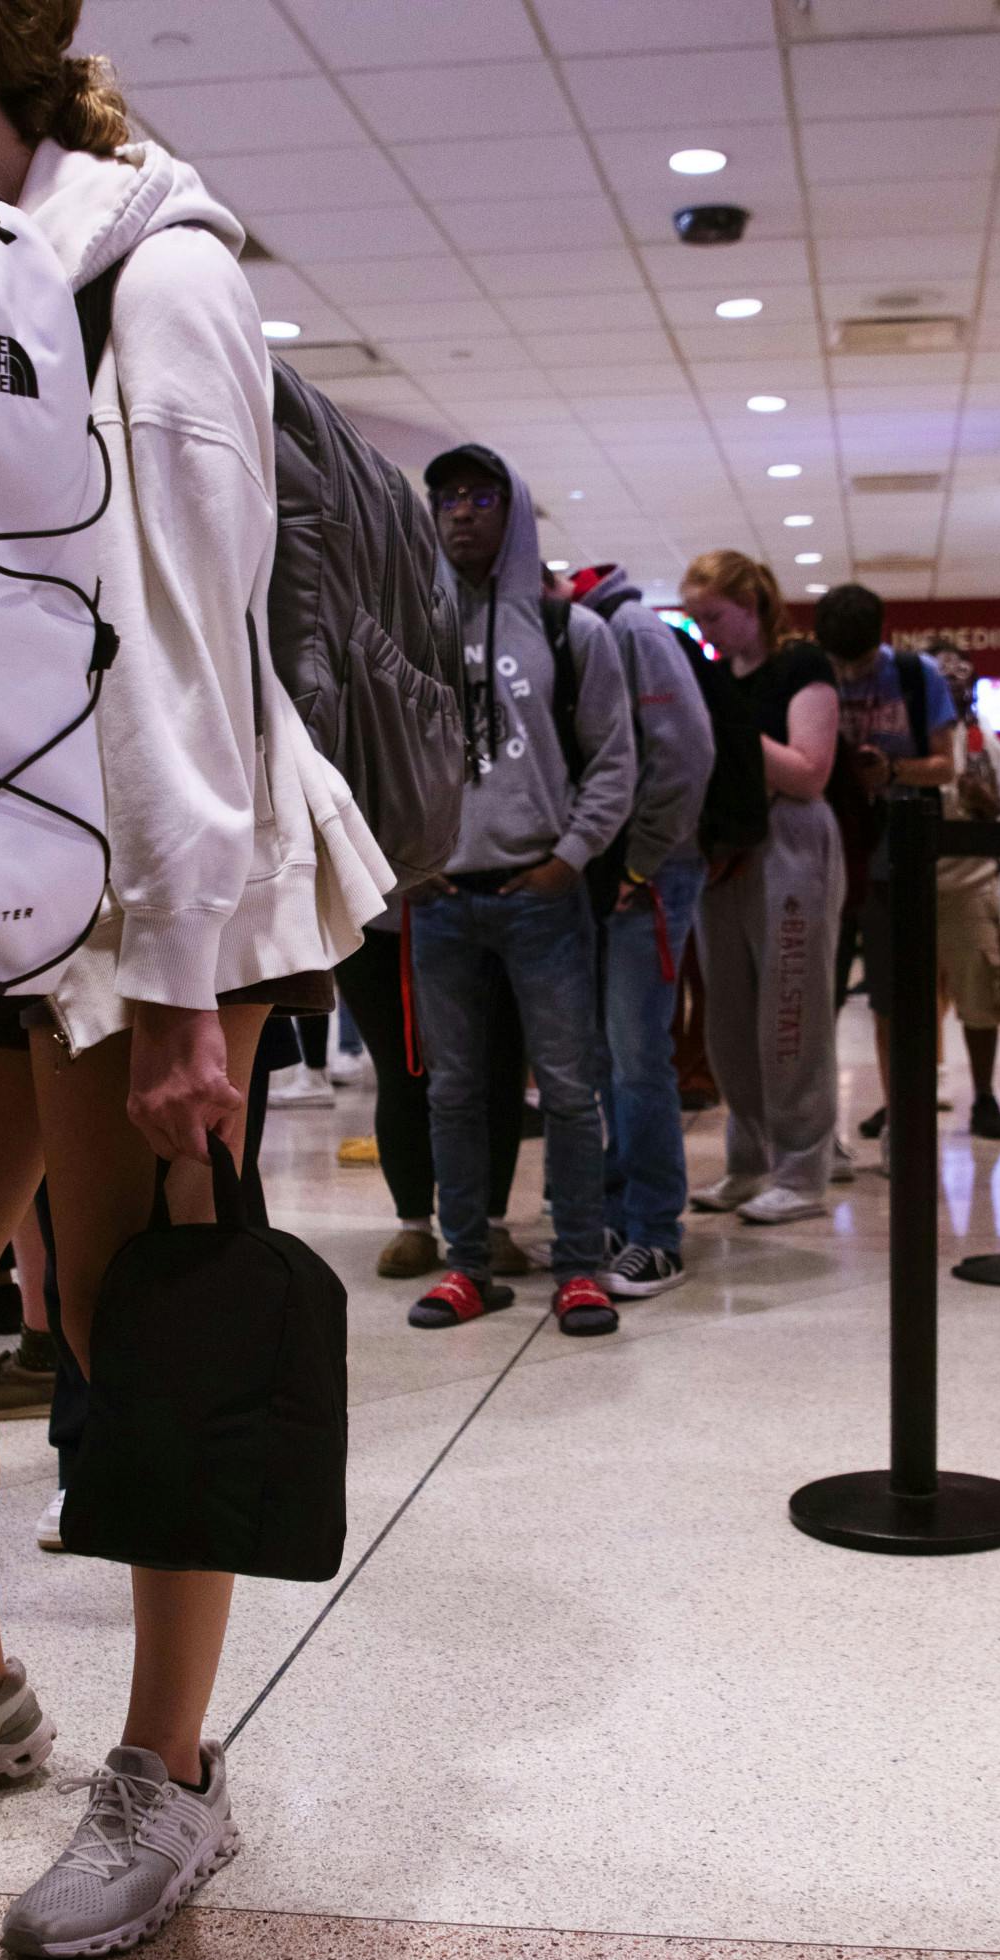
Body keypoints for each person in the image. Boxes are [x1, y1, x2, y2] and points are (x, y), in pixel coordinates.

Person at [0, 0, 391, 1960]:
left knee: (136, 1333)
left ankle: (167, 1776)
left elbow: (188, 632)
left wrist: (185, 984)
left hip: (149, 890)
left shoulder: (149, 262)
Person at [408, 444, 635, 1335]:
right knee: (454, 1093)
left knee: (572, 1090)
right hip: (442, 901)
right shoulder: (409, 632)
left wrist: (570, 856)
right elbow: (376, 756)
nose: (460, 512)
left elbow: (615, 761)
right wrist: (403, 864)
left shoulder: (569, 631)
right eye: (446, 498)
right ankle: (466, 1263)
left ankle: (579, 1266)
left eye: (479, 496)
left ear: (513, 511)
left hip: (541, 894)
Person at [680, 551, 843, 1224]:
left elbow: (808, 772)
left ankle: (803, 1168)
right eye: (696, 621)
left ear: (753, 604)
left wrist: (733, 728)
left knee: (790, 1014)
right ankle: (748, 1163)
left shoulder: (801, 667)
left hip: (791, 844)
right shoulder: (719, 676)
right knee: (725, 1020)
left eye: (715, 616)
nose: (707, 632)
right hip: (725, 850)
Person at [570, 565, 714, 1296]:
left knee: (634, 1058)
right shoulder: (594, 629)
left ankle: (657, 1230)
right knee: (606, 1059)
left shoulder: (629, 628)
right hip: (612, 876)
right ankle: (620, 1213)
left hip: (646, 876)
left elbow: (684, 754)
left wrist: (641, 863)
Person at [814, 585, 957, 1169]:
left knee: (896, 1000)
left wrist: (893, 769)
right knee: (813, 996)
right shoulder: (811, 675)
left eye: (858, 661)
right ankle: (817, 1134)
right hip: (827, 852)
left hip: (898, 858)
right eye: (839, 662)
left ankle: (903, 1122)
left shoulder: (916, 675)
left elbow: (946, 765)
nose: (848, 673)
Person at [334, 896, 530, 1280]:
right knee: (401, 1069)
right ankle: (415, 1224)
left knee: (497, 1067)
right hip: (375, 916)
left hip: (482, 902)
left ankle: (491, 1220)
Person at [929, 638, 1000, 1142]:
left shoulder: (983, 741)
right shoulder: (909, 738)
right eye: (942, 676)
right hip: (911, 886)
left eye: (961, 676)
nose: (953, 684)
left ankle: (983, 1095)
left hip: (971, 886)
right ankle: (904, 1101)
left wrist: (989, 803)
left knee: (982, 997)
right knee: (904, 1006)